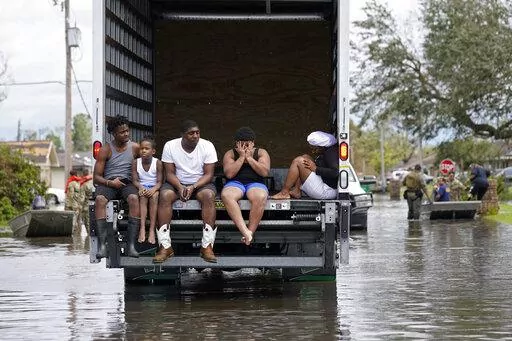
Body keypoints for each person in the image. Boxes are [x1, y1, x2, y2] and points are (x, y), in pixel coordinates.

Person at [154, 120, 218, 263]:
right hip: (177, 183)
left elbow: (209, 174)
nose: (195, 136)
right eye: (191, 133)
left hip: (201, 184)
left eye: (197, 132)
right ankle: (165, 247)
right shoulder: (170, 146)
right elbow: (169, 173)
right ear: (182, 135)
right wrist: (180, 187)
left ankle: (207, 246)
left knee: (208, 195)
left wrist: (193, 187)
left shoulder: (207, 146)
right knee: (164, 195)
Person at [93, 115, 140, 258]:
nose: (126, 134)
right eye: (122, 132)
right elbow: (96, 177)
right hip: (109, 183)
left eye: (127, 131)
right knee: (100, 200)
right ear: (114, 133)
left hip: (127, 183)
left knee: (133, 198)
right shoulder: (106, 149)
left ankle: (131, 246)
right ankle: (102, 246)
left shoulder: (135, 148)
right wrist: (110, 183)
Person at [221, 127, 271, 245]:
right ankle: (245, 231)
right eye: (241, 144)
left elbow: (264, 172)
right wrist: (242, 157)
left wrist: (249, 158)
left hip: (256, 183)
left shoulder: (261, 152)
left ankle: (250, 233)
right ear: (236, 143)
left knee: (260, 196)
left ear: (253, 143)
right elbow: (229, 173)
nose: (245, 147)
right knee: (226, 195)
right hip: (235, 183)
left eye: (247, 144)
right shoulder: (230, 153)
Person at [272, 131, 337, 200]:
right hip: (326, 187)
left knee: (298, 161)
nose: (313, 151)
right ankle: (296, 190)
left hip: (327, 191)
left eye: (315, 148)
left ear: (322, 147)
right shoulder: (328, 151)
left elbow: (335, 172)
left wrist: (315, 169)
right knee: (305, 157)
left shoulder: (330, 153)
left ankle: (284, 193)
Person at [131, 135, 163, 245]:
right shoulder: (136, 162)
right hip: (142, 187)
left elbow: (159, 182)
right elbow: (135, 180)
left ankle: (152, 230)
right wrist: (141, 187)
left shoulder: (157, 163)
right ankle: (142, 228)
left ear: (153, 151)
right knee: (143, 197)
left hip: (154, 188)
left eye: (146, 148)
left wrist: (153, 189)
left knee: (154, 197)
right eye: (141, 148)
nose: (143, 151)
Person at [79, 169, 94, 234]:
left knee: (88, 223)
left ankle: (89, 238)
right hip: (98, 205)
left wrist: (79, 207)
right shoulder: (95, 183)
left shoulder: (84, 185)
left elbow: (82, 199)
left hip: (87, 206)